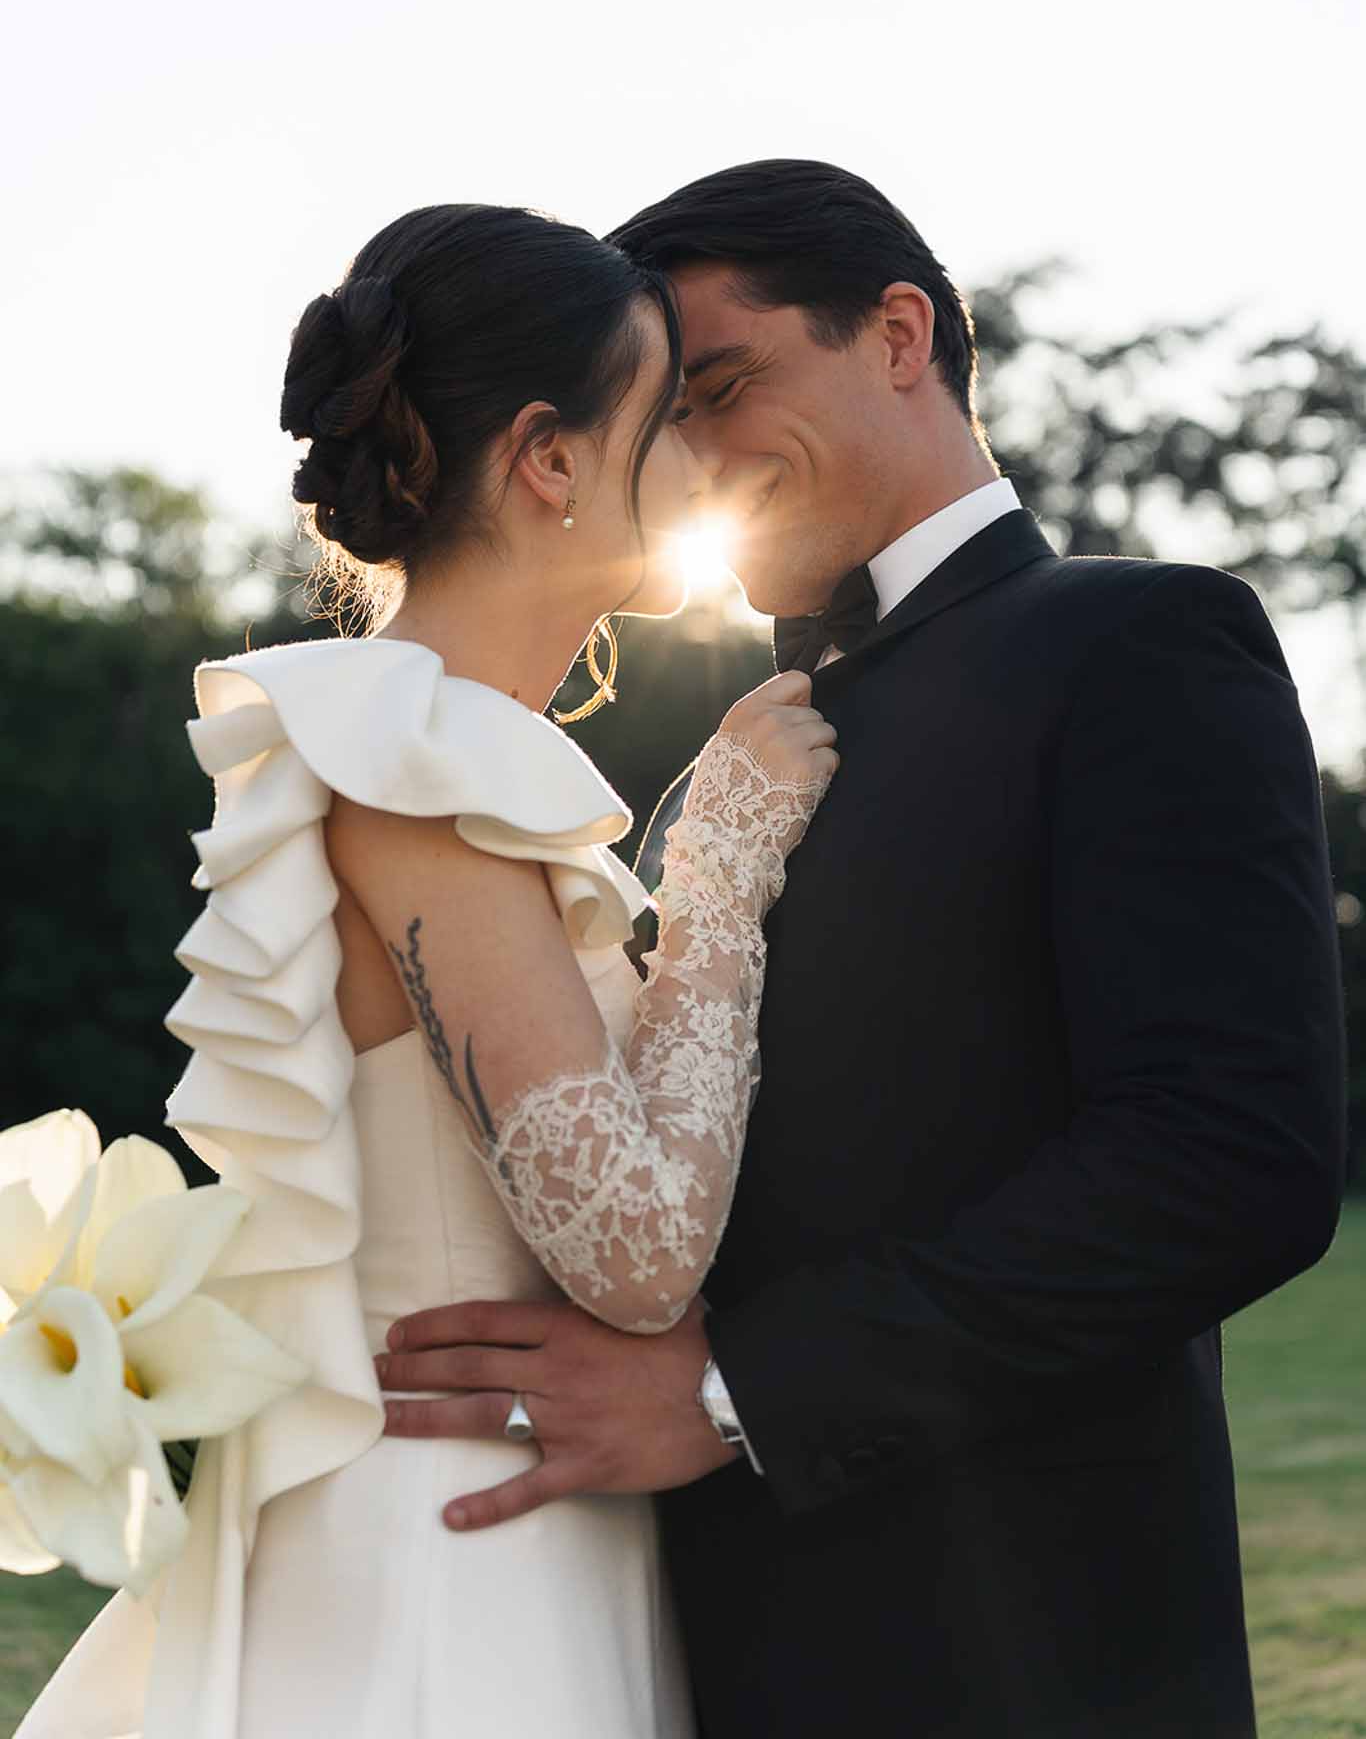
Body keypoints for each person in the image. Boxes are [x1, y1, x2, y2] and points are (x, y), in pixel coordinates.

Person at [378, 161, 1348, 1738]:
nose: (685, 465)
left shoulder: (1139, 644)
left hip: (1024, 1662)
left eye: (721, 388)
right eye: (654, 426)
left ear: (898, 334)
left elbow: (1226, 1161)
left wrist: (726, 1394)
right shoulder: (709, 778)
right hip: (686, 1644)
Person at [16, 201, 837, 1739]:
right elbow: (640, 1254)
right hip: (444, 1574)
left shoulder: (419, 756)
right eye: (669, 419)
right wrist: (718, 878)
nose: (706, 465)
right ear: (547, 460)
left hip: (493, 1502)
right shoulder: (415, 781)